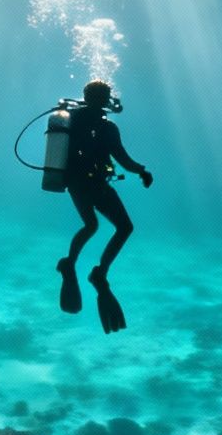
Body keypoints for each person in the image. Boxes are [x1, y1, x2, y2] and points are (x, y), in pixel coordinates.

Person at [57, 80, 152, 333]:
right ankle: (99, 273)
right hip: (95, 184)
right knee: (124, 227)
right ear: (106, 99)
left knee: (90, 225)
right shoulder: (107, 127)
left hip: (75, 182)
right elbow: (122, 158)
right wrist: (142, 171)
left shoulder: (71, 119)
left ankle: (70, 263)